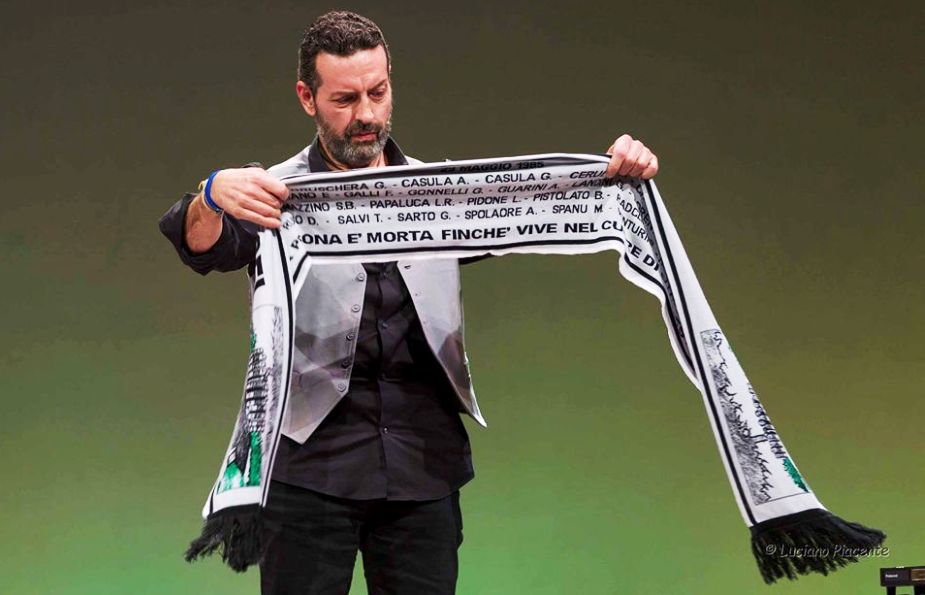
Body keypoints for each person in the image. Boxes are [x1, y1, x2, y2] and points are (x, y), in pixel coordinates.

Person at [158, 10, 659, 595]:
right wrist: (212, 194)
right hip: (310, 469)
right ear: (307, 98)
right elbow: (201, 244)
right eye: (345, 99)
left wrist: (616, 173)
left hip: (423, 467)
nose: (367, 115)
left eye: (378, 92)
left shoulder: (438, 195)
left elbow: (541, 204)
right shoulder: (274, 193)